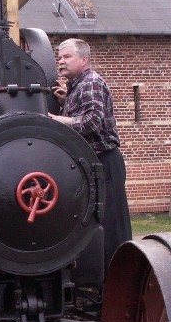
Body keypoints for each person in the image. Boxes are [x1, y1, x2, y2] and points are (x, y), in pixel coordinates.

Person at [49, 38, 132, 266]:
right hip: (91, 163)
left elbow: (92, 123)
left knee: (112, 223)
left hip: (105, 162)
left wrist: (57, 120)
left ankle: (116, 274)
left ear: (84, 59)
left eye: (67, 57)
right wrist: (67, 101)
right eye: (59, 57)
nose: (61, 62)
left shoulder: (91, 83)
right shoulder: (78, 86)